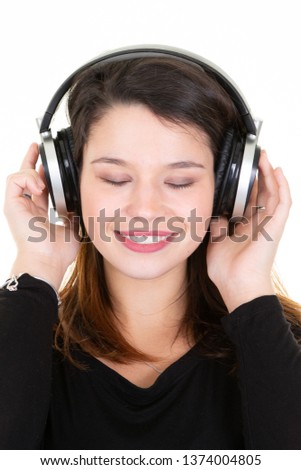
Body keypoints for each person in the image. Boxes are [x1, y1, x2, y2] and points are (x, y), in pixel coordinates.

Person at [1, 47, 301, 450]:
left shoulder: (285, 344)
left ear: (228, 191)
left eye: (179, 182)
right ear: (67, 186)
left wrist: (246, 286)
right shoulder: (18, 336)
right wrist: (36, 267)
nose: (145, 210)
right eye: (114, 178)